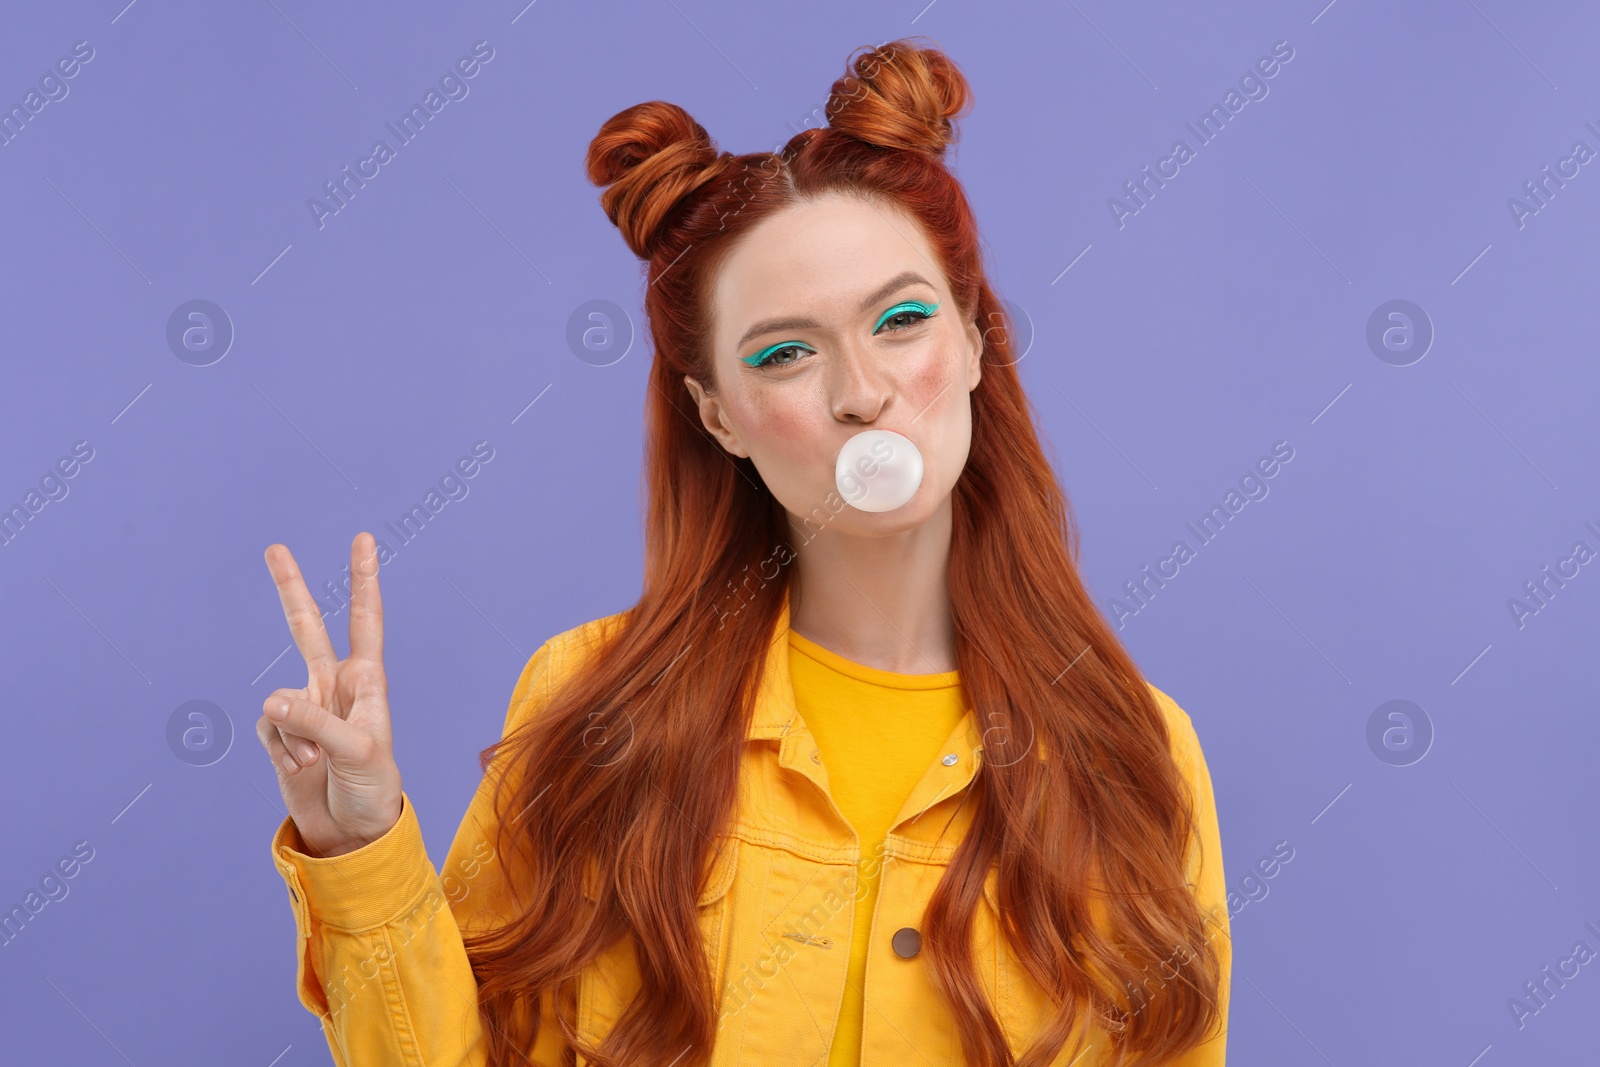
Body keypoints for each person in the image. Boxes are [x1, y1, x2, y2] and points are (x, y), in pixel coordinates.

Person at [257, 37, 1229, 1067]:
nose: (860, 388)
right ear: (718, 414)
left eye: (900, 320)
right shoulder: (592, 703)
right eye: (786, 352)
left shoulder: (1136, 750)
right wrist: (356, 847)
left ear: (977, 340)